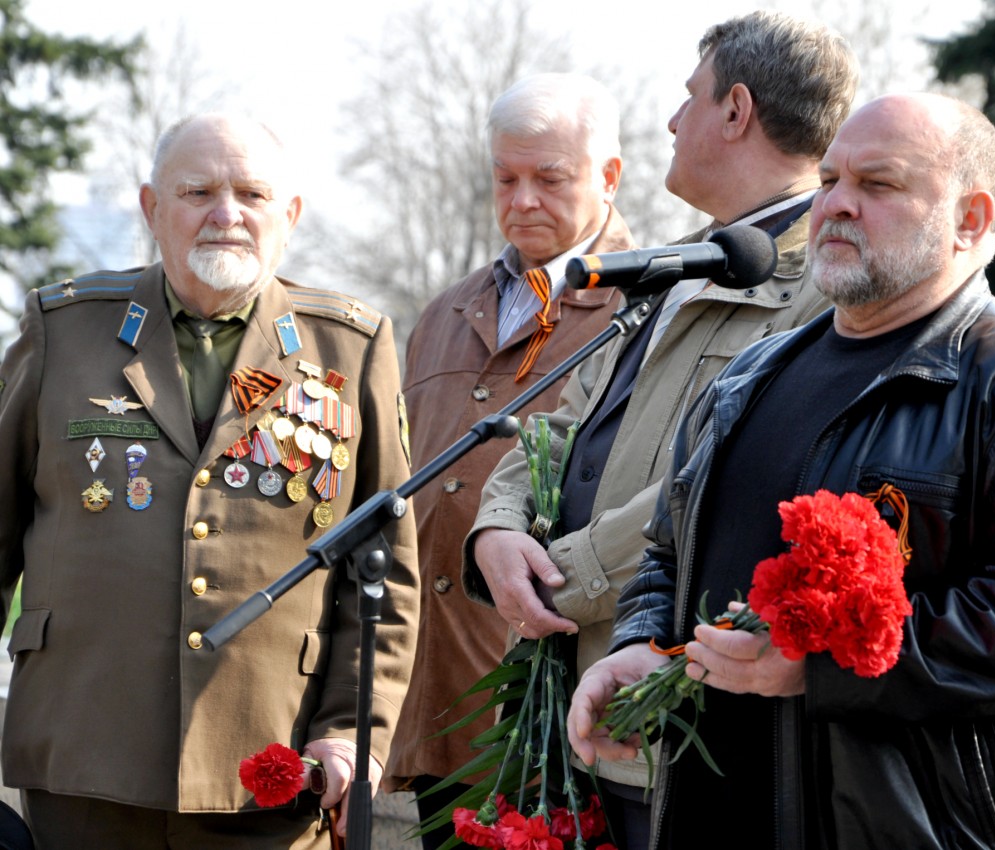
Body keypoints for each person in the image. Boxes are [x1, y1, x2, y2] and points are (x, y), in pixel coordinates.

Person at [567, 92, 995, 849]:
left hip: (924, 828)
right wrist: (641, 643)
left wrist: (824, 665)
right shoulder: (750, 376)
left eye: (878, 185)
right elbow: (669, 550)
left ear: (969, 219)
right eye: (831, 180)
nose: (836, 205)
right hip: (716, 812)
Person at [462, 11, 857, 846]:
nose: (673, 123)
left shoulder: (820, 287)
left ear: (736, 110)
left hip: (677, 713)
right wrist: (496, 532)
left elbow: (727, 486)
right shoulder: (683, 261)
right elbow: (563, 420)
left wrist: (554, 578)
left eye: (689, 99)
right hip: (577, 684)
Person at [0, 113, 420, 849]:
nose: (227, 214)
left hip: (274, 765)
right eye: (198, 191)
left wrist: (356, 735)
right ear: (151, 208)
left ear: (287, 216)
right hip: (84, 756)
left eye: (252, 194)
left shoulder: (349, 348)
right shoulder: (64, 331)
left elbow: (383, 574)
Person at [382, 72, 633, 848]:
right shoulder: (442, 314)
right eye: (505, 178)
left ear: (609, 178)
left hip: (560, 712)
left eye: (549, 179)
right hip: (439, 704)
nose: (522, 199)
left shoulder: (652, 308)